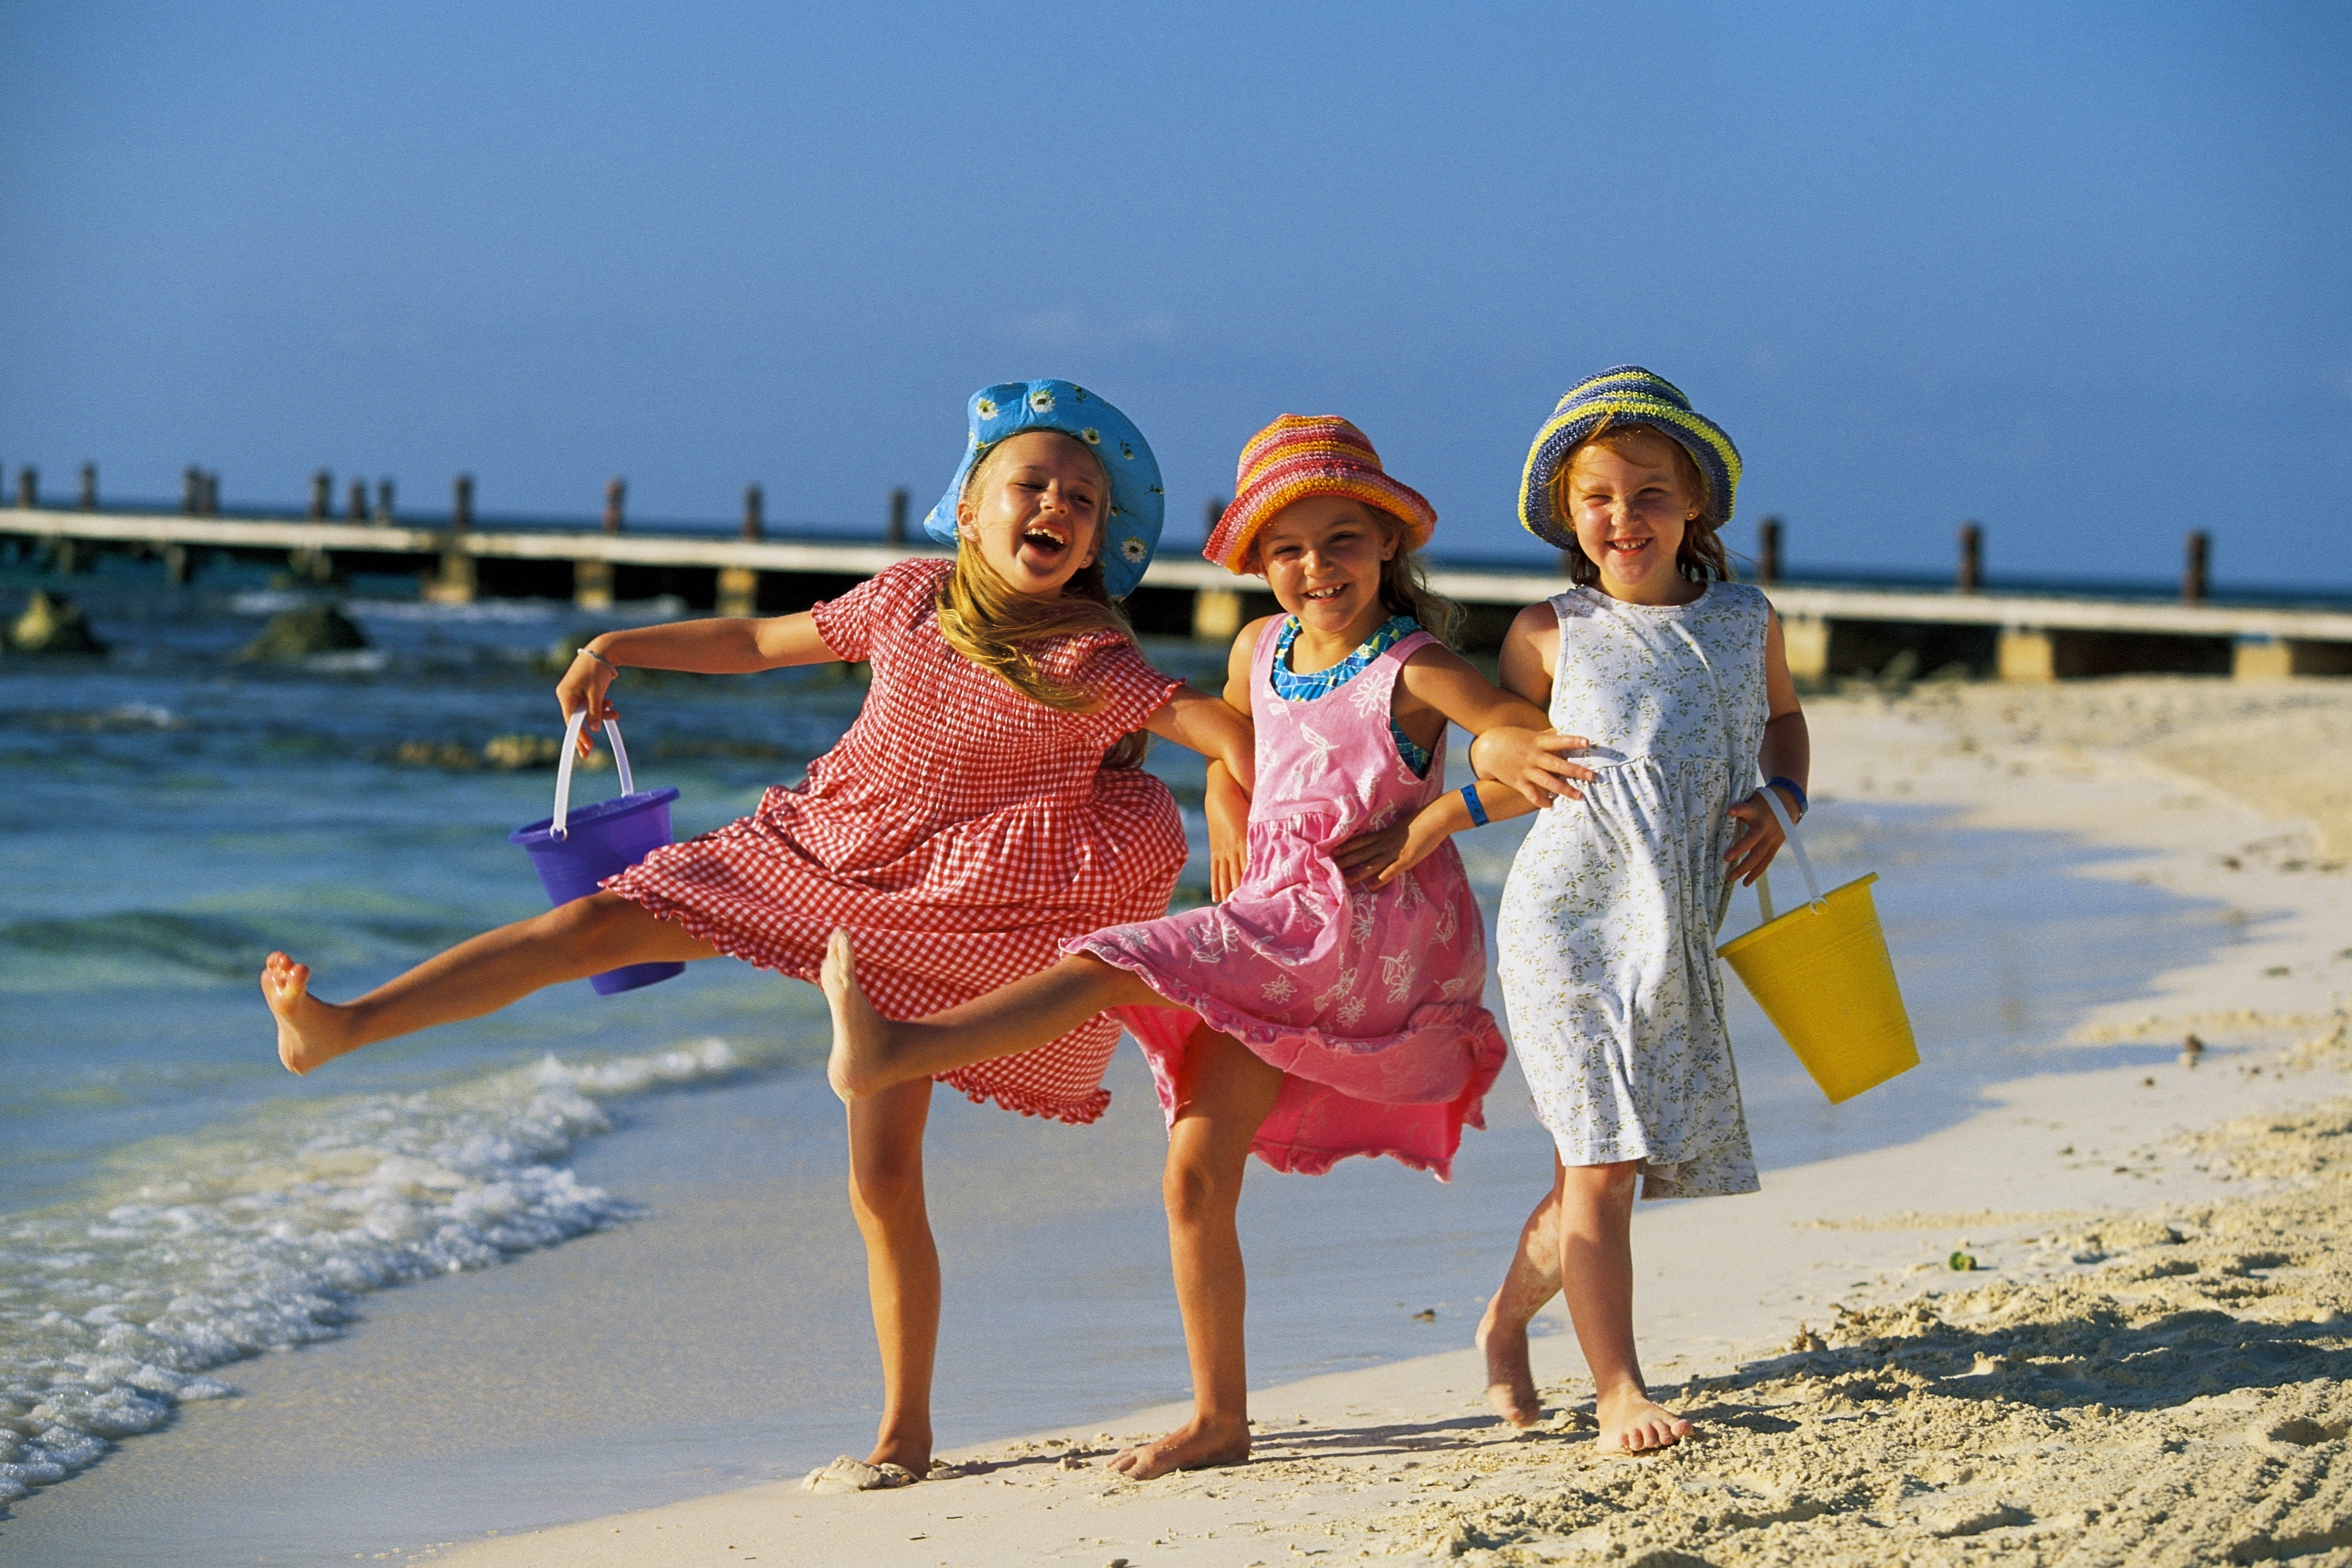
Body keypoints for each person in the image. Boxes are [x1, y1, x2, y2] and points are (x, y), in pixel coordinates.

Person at [259, 379, 1254, 1487]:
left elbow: (1227, 733)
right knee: (589, 922)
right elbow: (754, 638)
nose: (1057, 506)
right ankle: (340, 1025)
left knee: (883, 1178)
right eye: (1033, 484)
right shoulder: (907, 598)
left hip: (952, 909)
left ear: (1094, 547)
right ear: (969, 507)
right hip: (817, 848)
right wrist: (616, 643)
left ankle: (903, 1432)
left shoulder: (1090, 662)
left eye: (1082, 500)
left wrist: (1235, 811)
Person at [823, 414, 1567, 1479]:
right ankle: (1222, 1420)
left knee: (1111, 958)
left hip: (1361, 931)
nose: (1318, 568)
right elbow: (1234, 745)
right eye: (1289, 549)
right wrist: (1226, 811)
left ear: (1390, 545)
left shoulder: (1414, 665)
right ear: (1260, 563)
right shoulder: (1258, 648)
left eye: (1344, 541)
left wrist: (1438, 819)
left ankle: (903, 1048)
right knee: (1191, 1176)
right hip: (1276, 923)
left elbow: (1510, 732)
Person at [1438, 366, 1810, 1454]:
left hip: (1677, 929)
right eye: (1598, 496)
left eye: (1650, 493)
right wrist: (1445, 806)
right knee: (1602, 1160)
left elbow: (1783, 723)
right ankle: (1619, 1392)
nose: (1623, 516)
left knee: (1609, 1167)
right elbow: (1511, 768)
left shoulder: (1748, 621)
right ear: (1567, 513)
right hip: (1563, 925)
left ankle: (1505, 1327)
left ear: (1695, 502)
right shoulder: (1546, 632)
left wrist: (1783, 796)